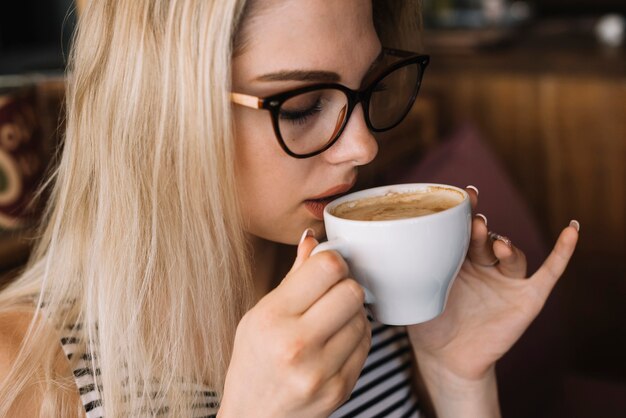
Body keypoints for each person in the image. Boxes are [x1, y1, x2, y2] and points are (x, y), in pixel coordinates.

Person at [0, 1, 579, 417]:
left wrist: (459, 381)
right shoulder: (24, 371)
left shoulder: (366, 296)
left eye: (369, 87)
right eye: (302, 106)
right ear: (159, 113)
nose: (364, 147)